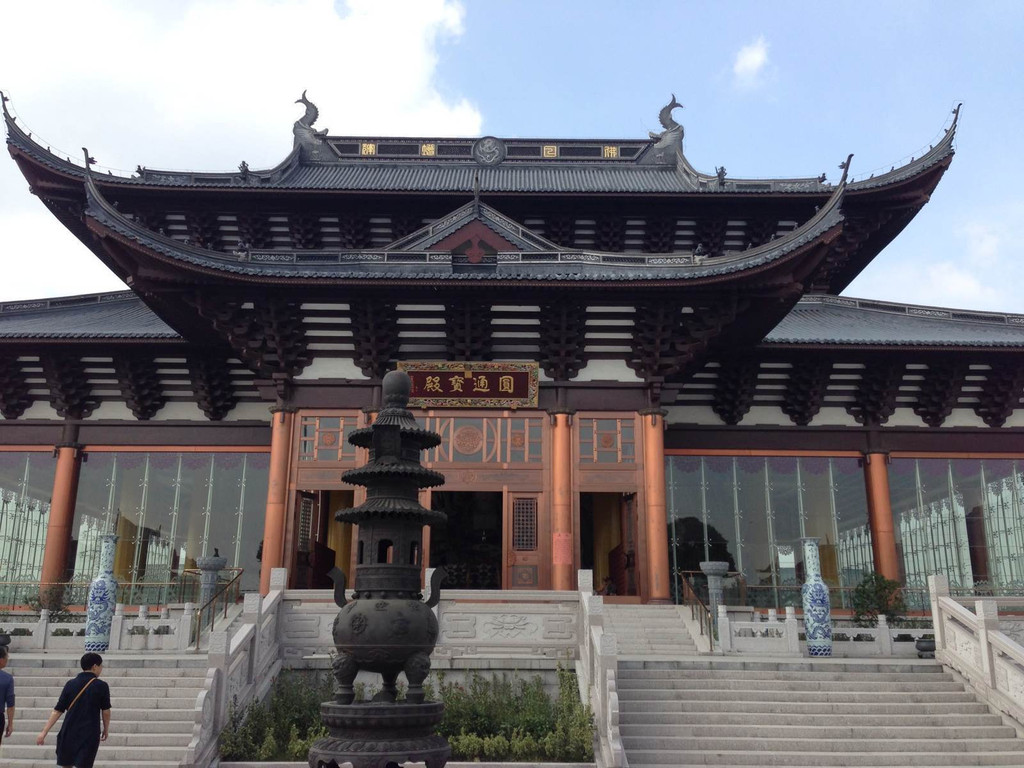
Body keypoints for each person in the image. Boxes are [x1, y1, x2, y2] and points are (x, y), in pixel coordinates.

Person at [36, 652, 111, 768]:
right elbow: (106, 711)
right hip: (89, 733)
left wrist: (44, 732)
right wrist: (106, 729)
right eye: (101, 666)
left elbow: (58, 710)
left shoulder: (70, 684)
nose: (101, 669)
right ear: (95, 666)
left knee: (66, 764)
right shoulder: (102, 686)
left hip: (69, 731)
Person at [0, 645, 14, 745]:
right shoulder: (7, 679)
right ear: (1, 660)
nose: (7, 660)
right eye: (6, 657)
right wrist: (10, 724)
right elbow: (10, 704)